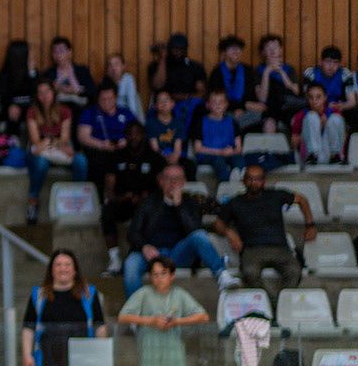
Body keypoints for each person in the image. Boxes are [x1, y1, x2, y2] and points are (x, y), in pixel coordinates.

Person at [217, 163, 316, 303]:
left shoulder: (276, 195)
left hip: (280, 249)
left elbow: (302, 200)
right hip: (252, 250)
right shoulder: (235, 202)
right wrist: (229, 232)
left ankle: (279, 304)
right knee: (249, 274)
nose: (254, 182)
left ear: (264, 181)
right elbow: (218, 224)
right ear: (243, 181)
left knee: (295, 272)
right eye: (250, 179)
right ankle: (271, 304)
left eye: (258, 179)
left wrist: (310, 225)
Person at [125, 163, 231, 295]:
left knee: (199, 235)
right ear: (161, 181)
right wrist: (144, 246)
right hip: (151, 253)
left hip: (178, 253)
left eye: (177, 179)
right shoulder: (149, 202)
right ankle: (136, 311)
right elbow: (132, 232)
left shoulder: (191, 203)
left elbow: (194, 230)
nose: (172, 183)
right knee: (131, 264)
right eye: (168, 178)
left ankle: (221, 273)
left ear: (183, 182)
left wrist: (179, 206)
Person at [96, 125, 161, 275]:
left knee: (148, 213)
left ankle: (138, 256)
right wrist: (122, 197)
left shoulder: (154, 157)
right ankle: (115, 259)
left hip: (147, 205)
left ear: (143, 135)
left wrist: (146, 198)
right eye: (130, 134)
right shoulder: (116, 156)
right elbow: (109, 192)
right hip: (122, 202)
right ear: (125, 136)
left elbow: (162, 188)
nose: (133, 137)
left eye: (137, 134)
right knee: (107, 211)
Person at [22, 78, 82, 223]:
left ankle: (77, 201)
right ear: (36, 95)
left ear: (53, 93)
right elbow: (36, 141)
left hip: (54, 149)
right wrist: (54, 142)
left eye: (47, 92)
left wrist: (49, 141)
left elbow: (65, 138)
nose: (44, 96)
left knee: (81, 161)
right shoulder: (32, 112)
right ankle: (33, 201)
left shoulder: (65, 111)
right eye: (40, 93)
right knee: (41, 163)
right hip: (39, 153)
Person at [291, 81, 349, 167]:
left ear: (325, 97)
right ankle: (312, 155)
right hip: (308, 155)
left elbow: (344, 137)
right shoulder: (301, 115)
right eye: (311, 97)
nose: (314, 101)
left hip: (329, 152)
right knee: (312, 116)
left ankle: (335, 156)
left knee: (335, 119)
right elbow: (294, 143)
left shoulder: (334, 112)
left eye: (318, 97)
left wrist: (326, 125)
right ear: (307, 98)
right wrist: (315, 128)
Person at [209, 35, 261, 131]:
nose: (236, 52)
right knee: (221, 116)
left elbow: (251, 95)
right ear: (224, 53)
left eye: (239, 49)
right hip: (225, 110)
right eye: (232, 49)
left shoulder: (248, 70)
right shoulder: (217, 73)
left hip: (246, 112)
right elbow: (216, 97)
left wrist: (242, 108)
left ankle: (233, 127)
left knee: (261, 114)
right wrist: (239, 107)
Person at [254, 34, 303, 132]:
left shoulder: (289, 69)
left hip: (288, 106)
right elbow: (262, 98)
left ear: (281, 50)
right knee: (269, 124)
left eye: (275, 47)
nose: (272, 50)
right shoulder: (259, 71)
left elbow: (296, 92)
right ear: (263, 52)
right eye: (268, 47)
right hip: (270, 108)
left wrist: (281, 72)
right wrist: (267, 72)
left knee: (297, 119)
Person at [142, 87, 192, 179]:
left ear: (173, 104)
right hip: (159, 157)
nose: (164, 103)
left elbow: (178, 148)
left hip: (175, 156)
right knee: (155, 164)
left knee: (190, 165)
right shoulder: (151, 123)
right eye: (160, 101)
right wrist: (166, 158)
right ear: (155, 105)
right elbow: (155, 148)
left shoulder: (178, 123)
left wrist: (174, 158)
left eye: (166, 100)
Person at [146, 32, 206, 102]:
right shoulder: (155, 66)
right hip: (164, 105)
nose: (178, 52)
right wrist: (162, 58)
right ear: (169, 48)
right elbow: (157, 85)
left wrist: (185, 97)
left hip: (188, 104)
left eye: (181, 49)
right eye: (175, 49)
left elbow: (201, 92)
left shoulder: (196, 67)